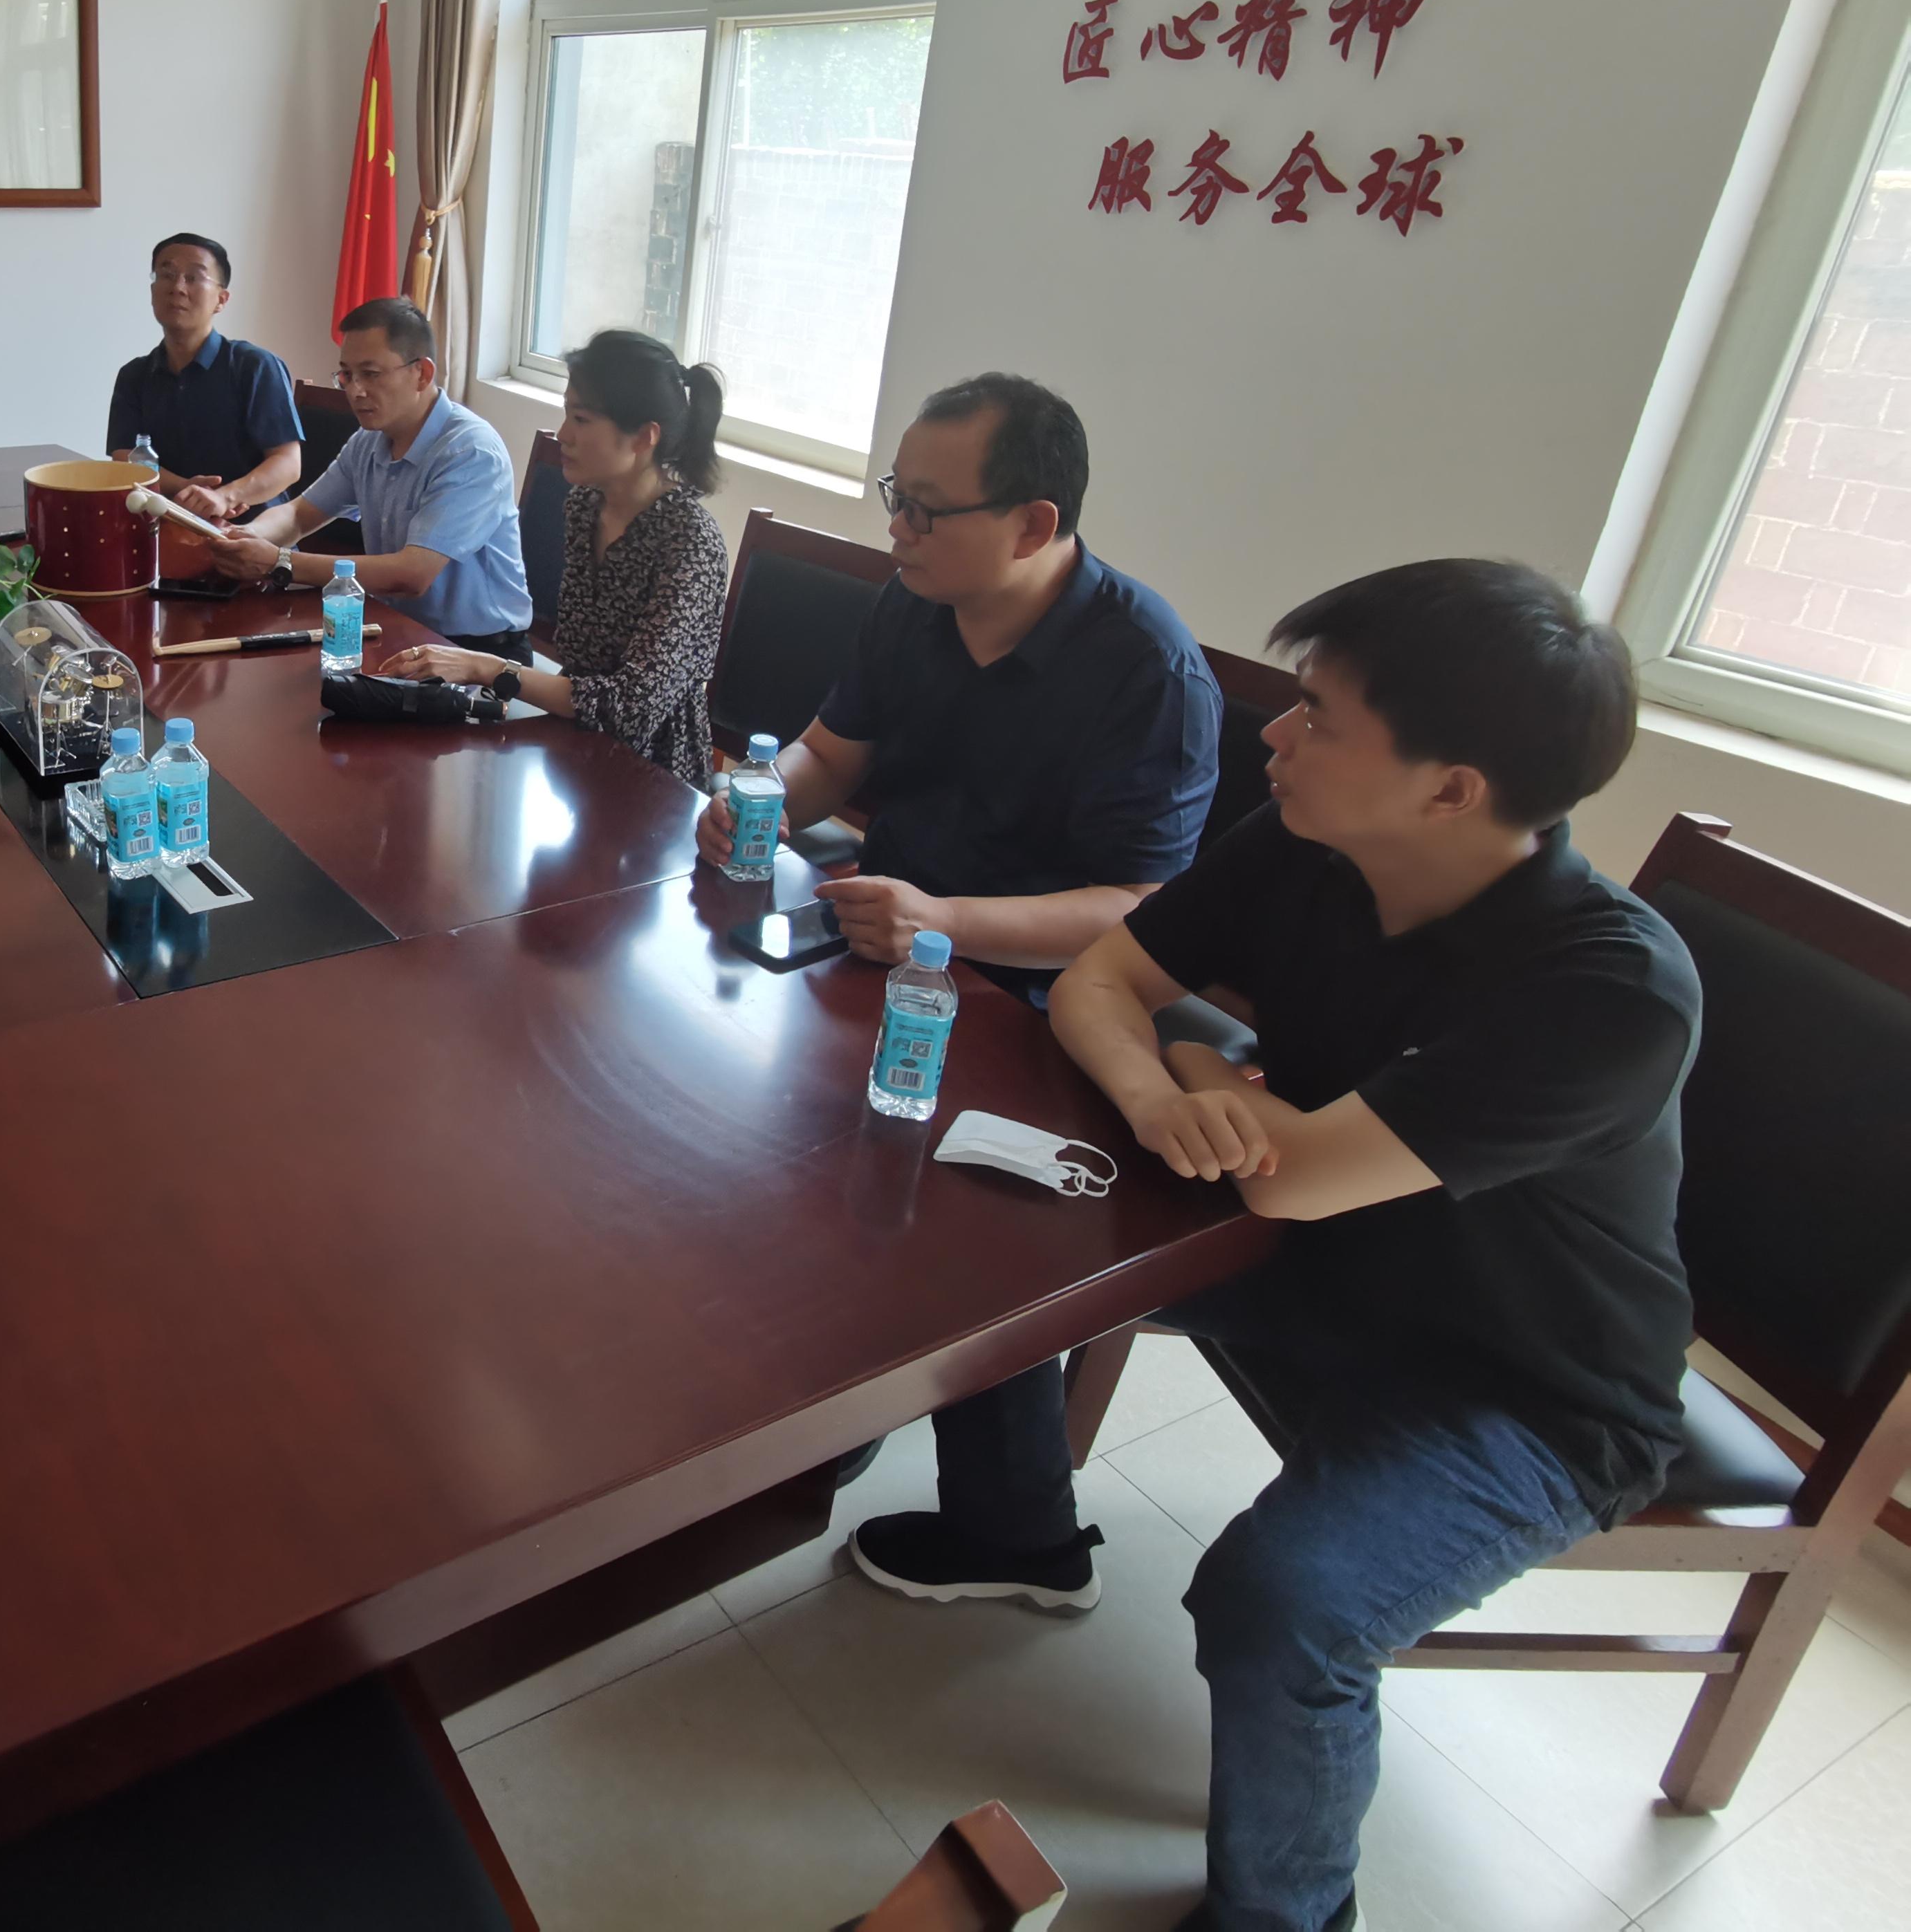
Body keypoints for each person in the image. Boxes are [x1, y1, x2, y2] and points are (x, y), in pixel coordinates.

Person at [854, 559, 1697, 1932]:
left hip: (1525, 1383)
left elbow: (1288, 1179)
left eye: (1319, 718)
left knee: (1280, 1602)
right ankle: (1012, 1531)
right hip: (1315, 1269)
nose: (1275, 736)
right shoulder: (1310, 839)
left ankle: (1284, 1915)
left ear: (1449, 790)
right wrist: (1167, 1091)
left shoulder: (1609, 989)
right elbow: (1103, 979)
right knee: (994, 1245)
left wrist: (1217, 1085)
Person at [695, 373, 1219, 985]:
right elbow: (829, 756)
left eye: (924, 511)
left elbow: (1138, 904)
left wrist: (945, 922)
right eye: (897, 497)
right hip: (873, 938)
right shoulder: (913, 600)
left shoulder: (1152, 675)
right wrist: (759, 799)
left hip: (1030, 990)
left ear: (1032, 527)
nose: (898, 528)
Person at [382, 328, 732, 783]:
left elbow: (631, 710)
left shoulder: (691, 542)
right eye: (567, 414)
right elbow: (578, 656)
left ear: (645, 437)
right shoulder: (586, 505)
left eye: (581, 420)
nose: (563, 435)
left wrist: (484, 666)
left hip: (654, 775)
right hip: (572, 747)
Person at [205, 297, 535, 660]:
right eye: (347, 375)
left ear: (422, 374)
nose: (355, 391)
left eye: (371, 374)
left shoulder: (469, 451)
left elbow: (413, 574)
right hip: (394, 630)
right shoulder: (368, 441)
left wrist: (279, 562)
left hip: (477, 652)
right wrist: (247, 537)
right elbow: (299, 514)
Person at [107, 232, 303, 520]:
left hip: (251, 529)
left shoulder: (255, 366)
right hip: (168, 523)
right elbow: (124, 455)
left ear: (221, 300)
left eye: (194, 278)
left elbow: (288, 464)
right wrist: (187, 490)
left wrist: (224, 497)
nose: (178, 288)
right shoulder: (134, 375)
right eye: (167, 275)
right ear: (152, 291)